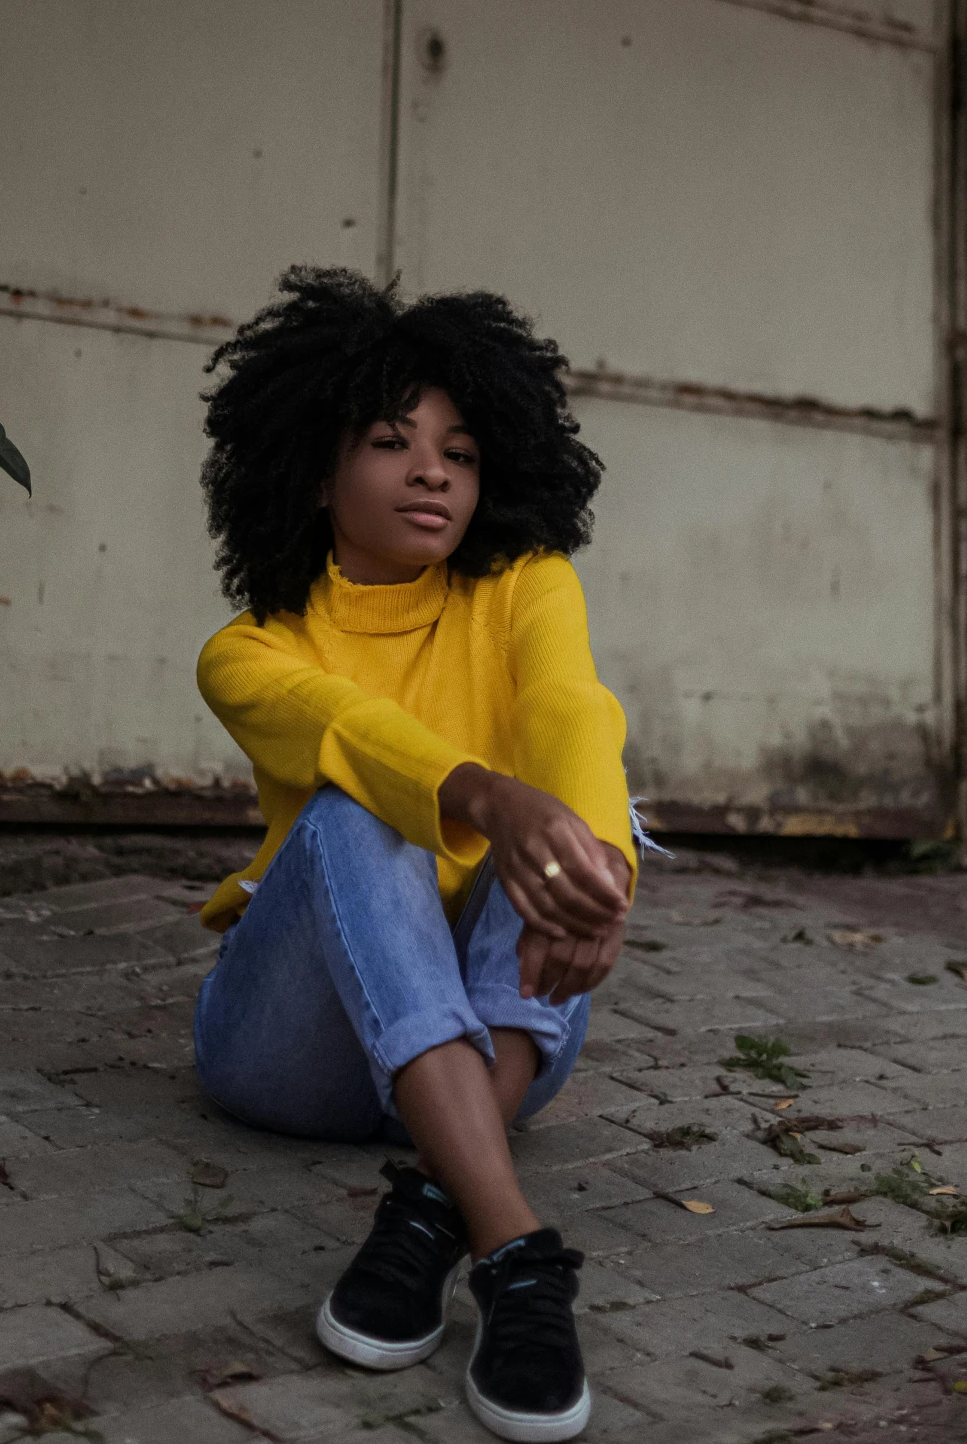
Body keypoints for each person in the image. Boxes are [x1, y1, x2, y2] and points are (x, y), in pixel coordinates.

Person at [190, 267, 636, 1444]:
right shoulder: (248, 647)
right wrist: (487, 794)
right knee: (356, 807)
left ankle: (434, 1212)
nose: (433, 469)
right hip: (286, 1055)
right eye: (391, 440)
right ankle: (515, 1252)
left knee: (577, 827)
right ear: (316, 465)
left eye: (461, 449)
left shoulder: (525, 584)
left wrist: (594, 868)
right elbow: (356, 737)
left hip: (492, 1039)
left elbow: (572, 706)